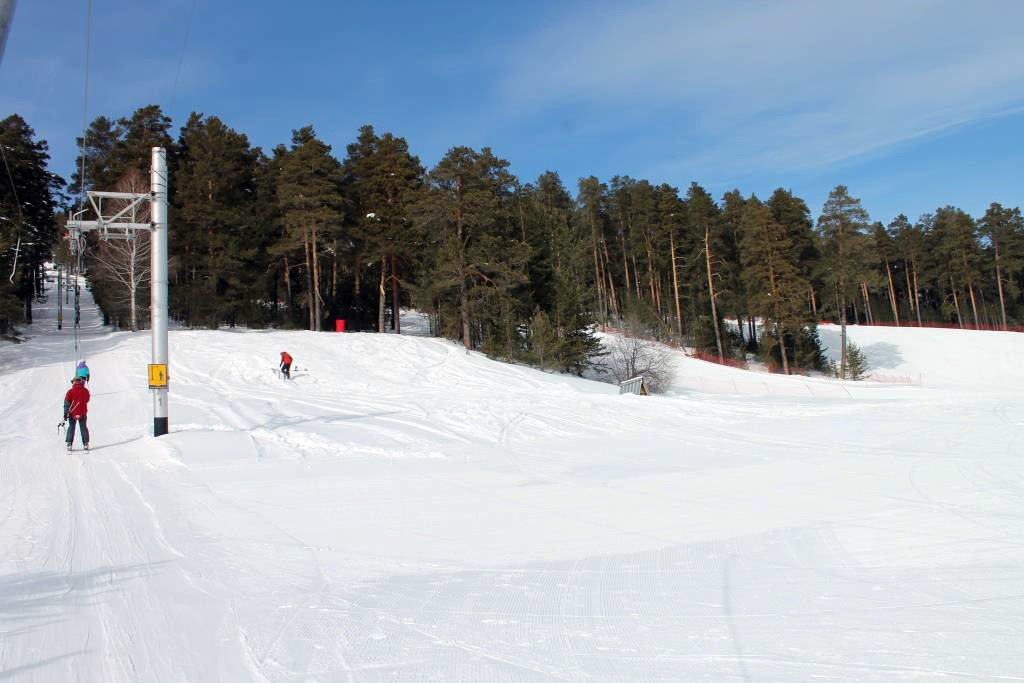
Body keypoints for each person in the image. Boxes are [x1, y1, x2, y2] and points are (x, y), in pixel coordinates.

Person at [63, 377, 91, 451]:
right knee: (83, 427)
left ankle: (69, 444)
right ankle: (86, 444)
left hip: (72, 413)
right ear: (81, 382)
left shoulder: (70, 392)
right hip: (83, 412)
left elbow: (66, 404)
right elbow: (87, 400)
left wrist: (65, 414)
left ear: (74, 382)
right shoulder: (85, 391)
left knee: (71, 427)